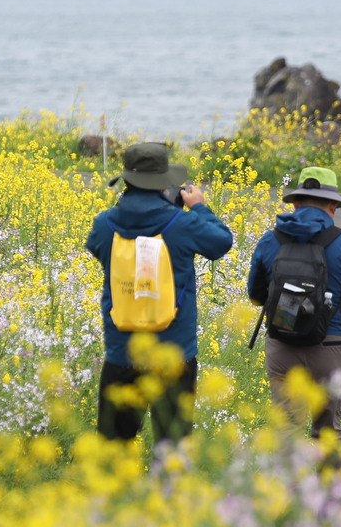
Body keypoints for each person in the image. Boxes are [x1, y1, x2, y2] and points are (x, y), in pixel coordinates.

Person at [86, 141, 234, 444]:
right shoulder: (182, 224)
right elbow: (221, 242)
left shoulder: (104, 225)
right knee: (173, 451)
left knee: (113, 451)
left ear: (126, 180)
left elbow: (99, 249)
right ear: (164, 183)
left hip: (122, 353)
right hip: (174, 353)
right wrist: (199, 207)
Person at [247, 165, 341, 447]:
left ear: (295, 203)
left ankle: (287, 489)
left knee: (286, 430)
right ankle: (328, 491)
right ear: (333, 206)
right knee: (328, 430)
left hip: (282, 345)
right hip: (330, 347)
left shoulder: (270, 240)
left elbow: (255, 295)